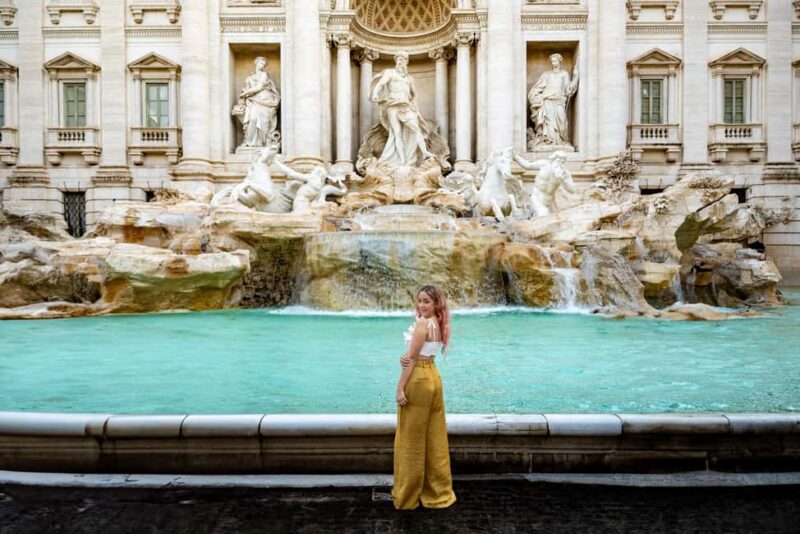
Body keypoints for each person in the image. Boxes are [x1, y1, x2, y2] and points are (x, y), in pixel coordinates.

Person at [392, 285, 457, 510]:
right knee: (434, 436)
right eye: (419, 300)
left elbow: (411, 361)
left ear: (435, 303)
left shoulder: (422, 323)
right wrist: (409, 355)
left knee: (411, 438)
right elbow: (422, 352)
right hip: (433, 377)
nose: (421, 305)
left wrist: (400, 388)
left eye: (426, 301)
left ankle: (407, 495)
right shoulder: (438, 323)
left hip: (418, 379)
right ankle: (438, 491)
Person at [371, 52, 435, 167]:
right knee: (397, 133)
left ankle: (425, 152)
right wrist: (375, 93)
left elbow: (414, 94)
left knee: (416, 129)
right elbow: (380, 84)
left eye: (403, 59)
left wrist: (414, 104)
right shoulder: (390, 73)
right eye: (399, 59)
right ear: (396, 61)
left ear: (406, 62)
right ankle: (402, 161)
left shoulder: (409, 79)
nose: (401, 62)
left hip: (406, 106)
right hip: (393, 106)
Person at [528, 53, 579, 147]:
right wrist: (536, 97)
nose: (553, 63)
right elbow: (537, 88)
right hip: (547, 101)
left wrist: (575, 77)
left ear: (560, 61)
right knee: (548, 122)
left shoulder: (564, 74)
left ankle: (562, 141)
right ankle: (548, 141)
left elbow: (569, 90)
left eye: (555, 61)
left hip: (559, 101)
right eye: (552, 61)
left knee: (561, 121)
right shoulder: (546, 75)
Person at [236, 57, 280, 147]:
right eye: (260, 63)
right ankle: (249, 141)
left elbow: (259, 87)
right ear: (256, 64)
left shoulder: (264, 75)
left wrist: (245, 93)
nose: (262, 66)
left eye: (264, 64)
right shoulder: (250, 77)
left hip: (265, 99)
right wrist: (244, 94)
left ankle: (261, 143)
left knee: (263, 123)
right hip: (254, 101)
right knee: (252, 119)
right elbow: (247, 88)